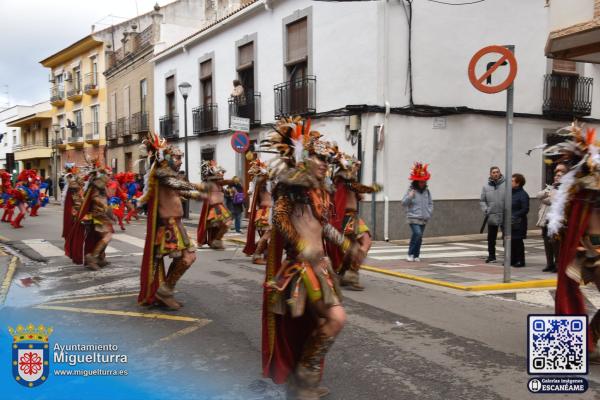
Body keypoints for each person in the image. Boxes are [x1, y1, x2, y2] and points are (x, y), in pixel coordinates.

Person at [262, 117, 362, 399]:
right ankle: (302, 378)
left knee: (321, 323)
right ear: (303, 155)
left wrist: (345, 243)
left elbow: (322, 226)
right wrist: (300, 245)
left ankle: (303, 380)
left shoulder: (319, 190)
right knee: (336, 318)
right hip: (301, 268)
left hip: (321, 268)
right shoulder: (290, 186)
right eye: (318, 157)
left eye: (326, 159)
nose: (323, 163)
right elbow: (280, 219)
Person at [544, 123, 600, 360]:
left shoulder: (582, 189)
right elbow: (573, 226)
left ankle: (588, 338)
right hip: (590, 251)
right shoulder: (582, 190)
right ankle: (584, 340)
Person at [137, 132, 208, 310]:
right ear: (166, 157)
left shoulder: (167, 174)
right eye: (177, 158)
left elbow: (179, 191)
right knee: (188, 257)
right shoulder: (161, 173)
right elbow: (177, 185)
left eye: (181, 158)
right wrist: (199, 187)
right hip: (169, 225)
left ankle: (166, 290)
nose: (180, 161)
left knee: (188, 257)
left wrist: (198, 195)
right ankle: (165, 291)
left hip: (176, 224)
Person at [329, 151, 382, 290]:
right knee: (352, 248)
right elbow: (355, 189)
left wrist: (358, 195)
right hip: (345, 217)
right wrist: (370, 189)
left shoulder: (348, 180)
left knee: (365, 243)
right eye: (355, 166)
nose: (357, 169)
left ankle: (348, 273)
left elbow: (355, 192)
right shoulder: (342, 178)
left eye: (358, 167)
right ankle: (350, 274)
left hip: (354, 216)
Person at [197, 160, 234, 249]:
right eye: (219, 174)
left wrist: (230, 191)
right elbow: (201, 190)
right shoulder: (210, 184)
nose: (221, 175)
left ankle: (215, 240)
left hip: (221, 207)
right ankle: (214, 241)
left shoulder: (220, 185)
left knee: (224, 225)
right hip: (214, 208)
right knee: (222, 224)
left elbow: (226, 187)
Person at [401, 162, 433, 262]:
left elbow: (430, 203)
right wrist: (410, 196)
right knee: (417, 234)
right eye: (420, 182)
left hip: (423, 218)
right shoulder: (411, 190)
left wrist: (429, 212)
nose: (422, 183)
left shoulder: (427, 191)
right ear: (416, 182)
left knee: (419, 237)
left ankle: (416, 255)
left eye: (424, 181)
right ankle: (410, 254)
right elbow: (403, 203)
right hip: (413, 217)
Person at [243, 158, 272, 264]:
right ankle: (256, 255)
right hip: (265, 213)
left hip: (266, 212)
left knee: (268, 236)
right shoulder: (263, 185)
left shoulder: (265, 184)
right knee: (267, 235)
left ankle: (266, 255)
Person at [536, 168, 563, 272]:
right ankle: (549, 263)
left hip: (555, 221)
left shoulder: (563, 189)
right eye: (556, 176)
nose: (556, 177)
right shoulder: (550, 187)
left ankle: (558, 264)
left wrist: (548, 197)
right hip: (545, 220)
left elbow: (551, 201)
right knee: (547, 243)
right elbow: (539, 195)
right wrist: (548, 193)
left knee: (556, 244)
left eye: (559, 176)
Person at [480, 166, 506, 263]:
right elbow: (482, 201)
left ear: (500, 173)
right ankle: (491, 256)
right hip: (492, 215)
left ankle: (507, 257)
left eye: (497, 172)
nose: (495, 174)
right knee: (491, 238)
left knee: (506, 237)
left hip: (504, 215)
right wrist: (486, 210)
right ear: (490, 174)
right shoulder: (486, 187)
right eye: (493, 172)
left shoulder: (506, 185)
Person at [510, 173, 529, 267]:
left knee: (518, 242)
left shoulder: (523, 194)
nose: (510, 182)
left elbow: (525, 209)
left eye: (512, 181)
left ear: (518, 183)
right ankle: (512, 260)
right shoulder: (511, 193)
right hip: (510, 222)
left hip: (519, 223)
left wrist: (514, 215)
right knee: (511, 242)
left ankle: (520, 261)